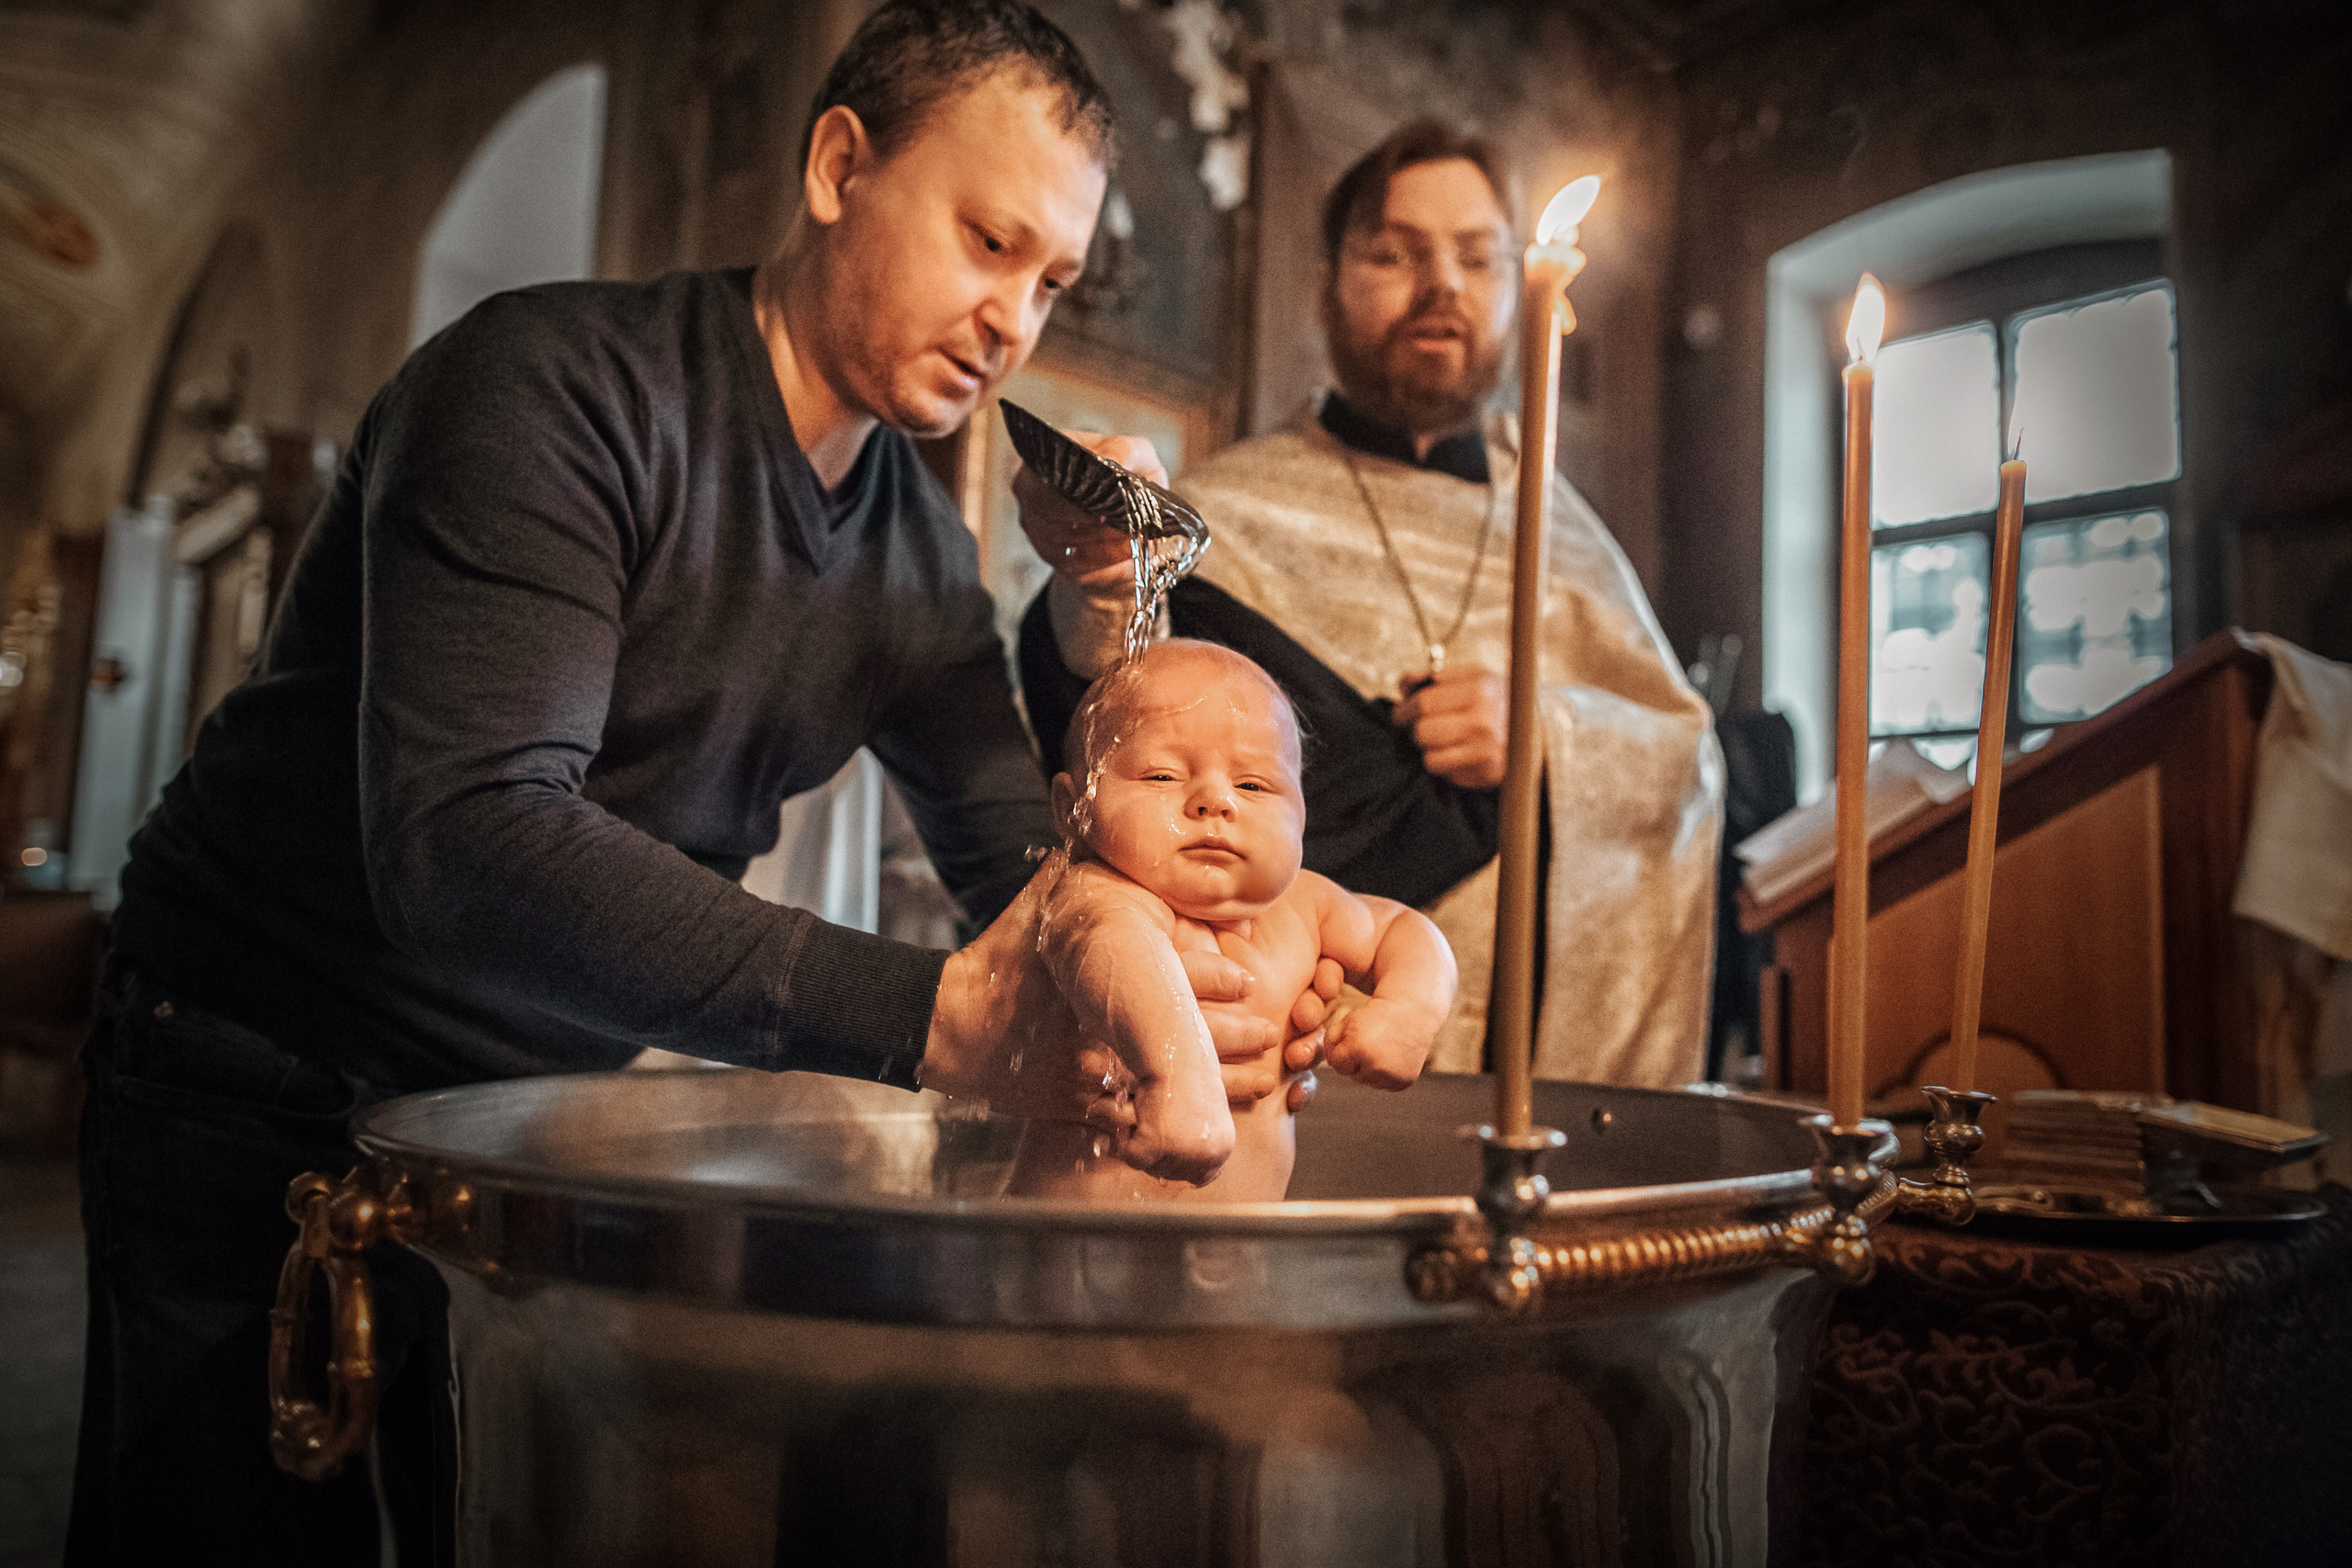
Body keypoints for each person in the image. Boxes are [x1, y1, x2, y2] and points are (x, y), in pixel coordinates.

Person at [68, 6, 1322, 1563]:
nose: (1016, 317)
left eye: (1052, 281)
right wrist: (934, 1017)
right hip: (262, 1059)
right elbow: (466, 843)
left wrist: (1102, 678)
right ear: (839, 163)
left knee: (490, 1516)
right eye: (991, 241)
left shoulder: (917, 557)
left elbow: (1034, 864)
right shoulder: (550, 386)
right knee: (228, 1534)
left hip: (522, 1116)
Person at [1021, 119, 1724, 1089]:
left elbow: (1683, 752)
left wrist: (1546, 733)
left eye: (1477, 258)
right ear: (1326, 287)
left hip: (1545, 1086)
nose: (1441, 285)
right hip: (1301, 1063)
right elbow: (1106, 713)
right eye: (1396, 253)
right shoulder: (1230, 514)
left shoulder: (1565, 531)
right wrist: (1101, 572)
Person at [1007, 640, 1456, 1201]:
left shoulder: (1305, 906)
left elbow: (1404, 932)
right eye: (1161, 776)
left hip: (1234, 1260)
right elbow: (1113, 952)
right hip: (1075, 1254)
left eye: (1252, 785)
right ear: (1074, 808)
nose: (1214, 801)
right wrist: (1175, 1077)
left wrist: (1410, 1008)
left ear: (1300, 812)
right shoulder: (1097, 894)